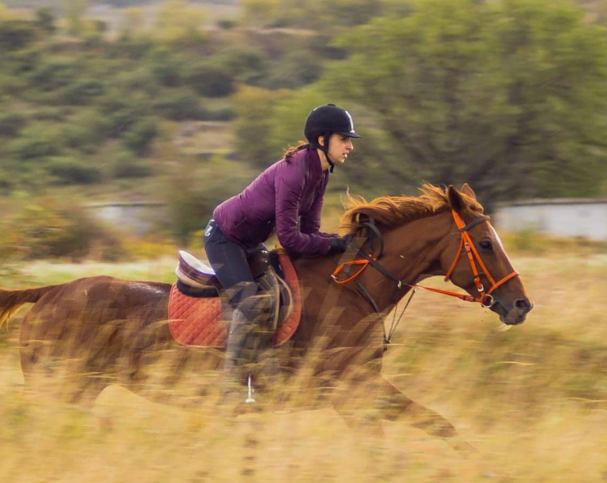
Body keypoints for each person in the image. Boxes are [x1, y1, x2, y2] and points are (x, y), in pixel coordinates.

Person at [203, 103, 361, 400]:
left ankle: (268, 379)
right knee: (251, 305)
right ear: (323, 140)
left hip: (250, 244)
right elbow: (289, 238)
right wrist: (334, 243)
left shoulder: (321, 173)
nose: (350, 146)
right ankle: (233, 391)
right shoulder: (295, 172)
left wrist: (341, 241)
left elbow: (311, 231)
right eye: (344, 139)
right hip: (224, 240)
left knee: (279, 295)